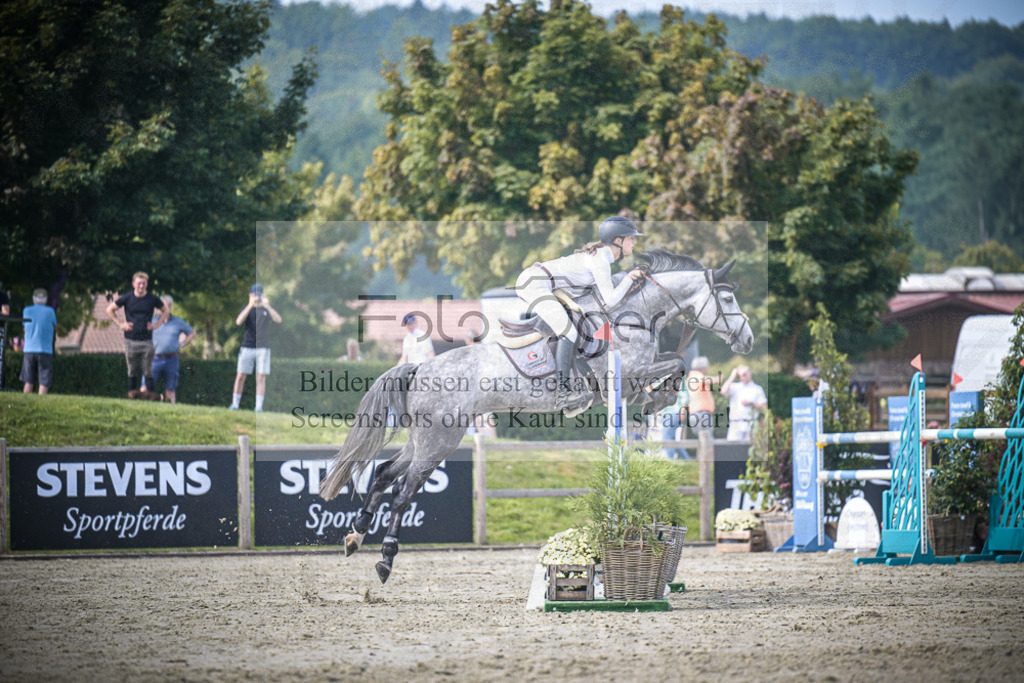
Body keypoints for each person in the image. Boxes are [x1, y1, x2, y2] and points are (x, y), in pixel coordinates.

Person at [514, 215, 645, 413]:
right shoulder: (600, 260)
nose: (634, 242)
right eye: (631, 238)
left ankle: (584, 380)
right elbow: (610, 300)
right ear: (618, 240)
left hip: (544, 284)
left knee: (581, 329)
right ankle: (563, 393)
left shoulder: (602, 258)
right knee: (569, 333)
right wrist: (628, 279)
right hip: (535, 283)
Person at [106, 271, 168, 399]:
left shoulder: (152, 298)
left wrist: (156, 325)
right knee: (132, 369)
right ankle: (131, 396)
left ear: (147, 284)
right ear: (134, 284)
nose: (141, 286)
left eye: (144, 283)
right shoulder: (127, 298)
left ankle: (151, 396)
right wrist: (120, 324)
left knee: (148, 370)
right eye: (139, 283)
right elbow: (109, 309)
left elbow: (165, 310)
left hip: (147, 340)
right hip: (130, 339)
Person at [229, 284, 282, 412]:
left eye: (259, 294)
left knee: (260, 377)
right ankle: (235, 404)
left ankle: (258, 407)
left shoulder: (266, 310)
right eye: (254, 294)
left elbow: (278, 319)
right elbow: (239, 321)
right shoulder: (247, 309)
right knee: (240, 376)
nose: (256, 297)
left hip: (263, 348)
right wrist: (250, 305)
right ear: (250, 295)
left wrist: (267, 305)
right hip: (247, 347)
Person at [142, 295, 195, 403]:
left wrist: (183, 343)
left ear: (170, 307)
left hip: (171, 359)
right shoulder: (152, 320)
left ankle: (171, 412)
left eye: (166, 305)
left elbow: (192, 333)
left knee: (170, 391)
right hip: (153, 359)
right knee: (145, 388)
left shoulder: (178, 322)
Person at [19, 288, 57, 394]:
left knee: (28, 381)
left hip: (29, 349)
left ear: (33, 298)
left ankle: (24, 404)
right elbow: (54, 327)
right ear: (46, 299)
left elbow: (24, 327)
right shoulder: (51, 311)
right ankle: (41, 405)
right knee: (44, 381)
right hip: (45, 350)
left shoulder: (26, 310)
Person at [720, 364, 768, 441]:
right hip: (735, 424)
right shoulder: (735, 387)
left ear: (750, 373)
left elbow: (764, 407)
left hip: (751, 423)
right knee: (733, 449)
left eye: (744, 374)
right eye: (740, 375)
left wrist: (751, 404)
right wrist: (733, 375)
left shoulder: (757, 389)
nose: (743, 377)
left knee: (750, 449)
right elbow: (723, 391)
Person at [685, 356, 717, 439]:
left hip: (694, 413)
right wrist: (718, 379)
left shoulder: (690, 377)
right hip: (701, 414)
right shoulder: (696, 376)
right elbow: (706, 380)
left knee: (701, 440)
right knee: (708, 440)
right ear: (703, 368)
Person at [658, 381, 691, 460]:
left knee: (667, 439)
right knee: (672, 440)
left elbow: (685, 397)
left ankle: (670, 462)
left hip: (673, 413)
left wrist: (682, 411)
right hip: (665, 414)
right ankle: (687, 461)